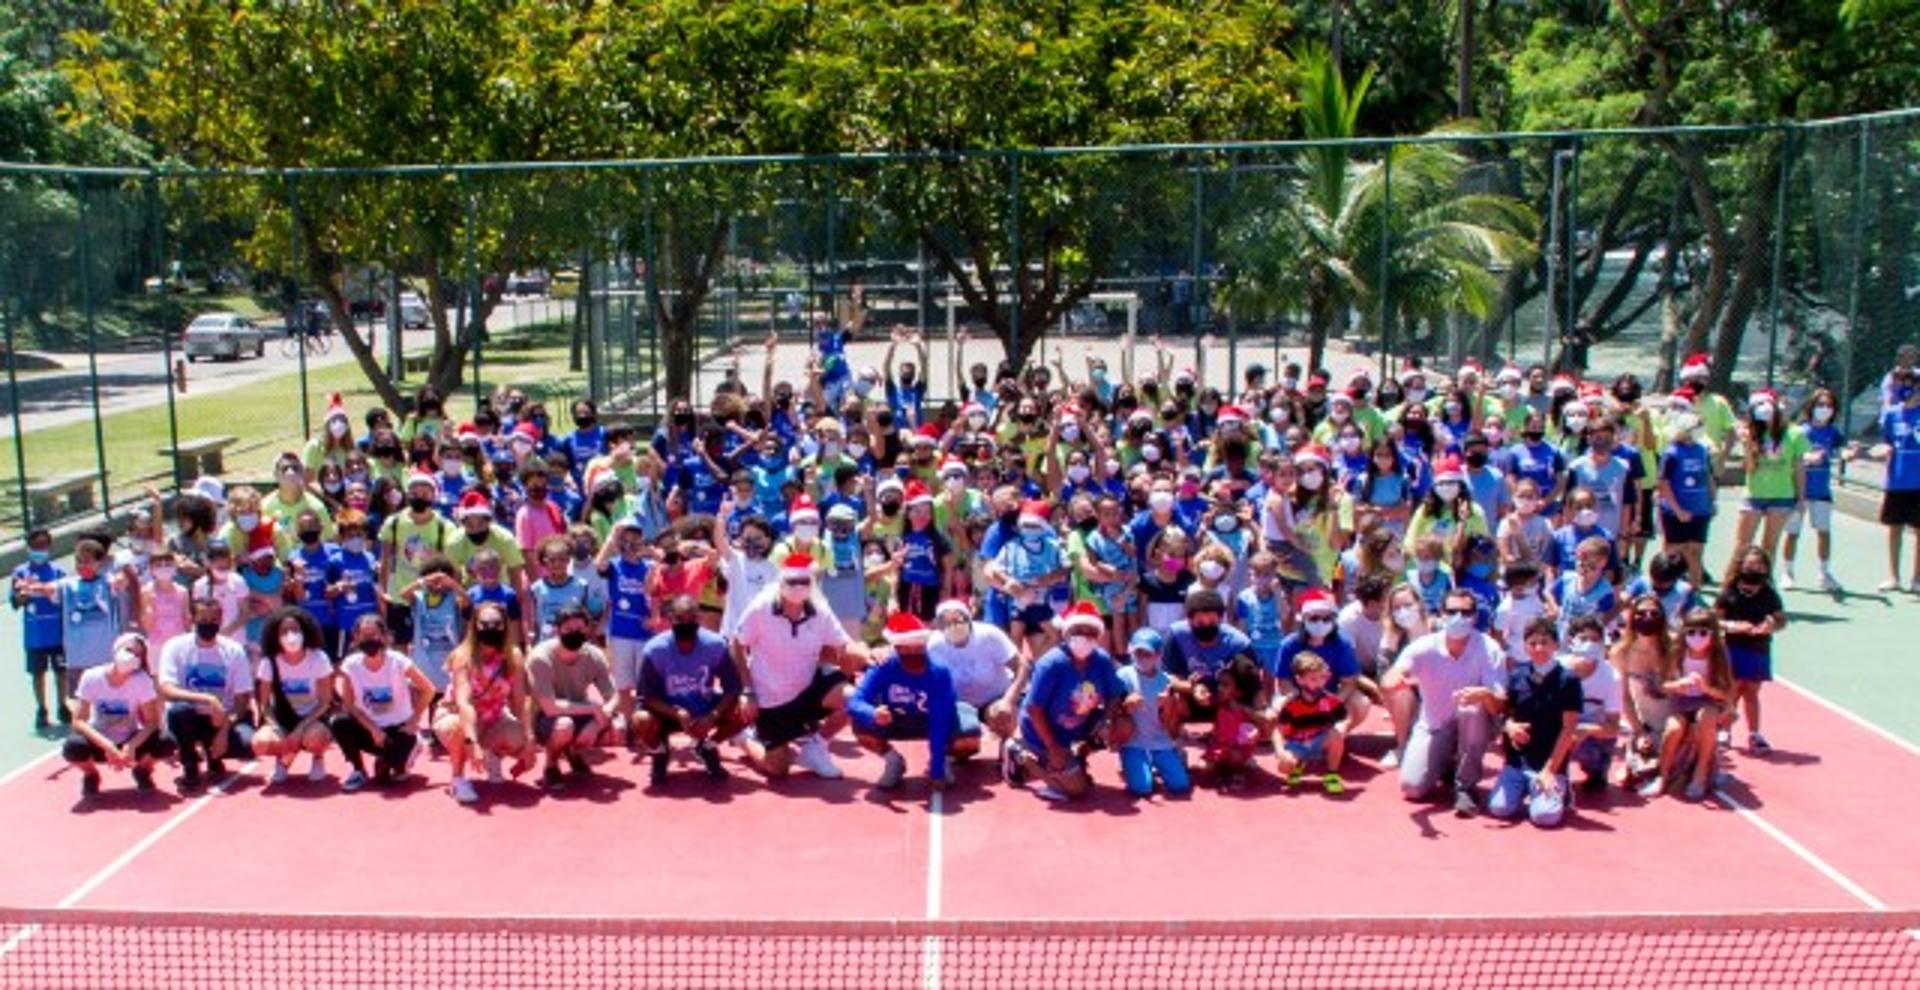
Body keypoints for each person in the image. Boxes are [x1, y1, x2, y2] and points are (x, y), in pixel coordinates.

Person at [732, 553, 859, 779]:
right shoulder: (760, 608)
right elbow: (737, 644)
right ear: (781, 584)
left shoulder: (820, 609)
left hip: (807, 692)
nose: (798, 587)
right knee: (778, 769)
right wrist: (747, 690)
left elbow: (845, 644)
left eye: (804, 582)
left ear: (811, 584)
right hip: (770, 701)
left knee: (855, 699)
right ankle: (744, 739)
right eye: (792, 582)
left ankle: (815, 748)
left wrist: (874, 656)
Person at [1384, 588, 1506, 817]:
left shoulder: (1489, 649)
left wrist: (1484, 695)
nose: (1458, 617)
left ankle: (1466, 787)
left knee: (1471, 708)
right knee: (1412, 787)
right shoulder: (1424, 647)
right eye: (1451, 611)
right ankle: (1447, 762)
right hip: (1434, 726)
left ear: (1475, 616)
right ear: (1441, 614)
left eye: (1466, 612)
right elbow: (1395, 672)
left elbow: (1500, 704)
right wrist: (1394, 679)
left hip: (1476, 724)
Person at [1005, 601, 1129, 801]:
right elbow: (1034, 709)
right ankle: (1021, 754)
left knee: (1124, 725)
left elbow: (1114, 694)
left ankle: (1075, 759)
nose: (1084, 637)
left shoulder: (1102, 660)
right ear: (1067, 633)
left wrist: (1107, 720)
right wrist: (1052, 746)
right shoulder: (1051, 664)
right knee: (1077, 790)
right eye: (1078, 630)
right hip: (1043, 731)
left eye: (1090, 632)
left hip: (1078, 724)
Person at [850, 613, 976, 793]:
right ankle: (893, 761)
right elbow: (856, 702)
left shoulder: (939, 672)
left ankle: (943, 759)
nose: (913, 655)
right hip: (896, 720)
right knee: (860, 724)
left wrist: (937, 769)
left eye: (918, 649)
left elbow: (939, 723)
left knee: (970, 738)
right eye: (906, 650)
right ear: (897, 648)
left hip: (931, 720)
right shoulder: (884, 666)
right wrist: (872, 714)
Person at [634, 595, 743, 784]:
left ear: (699, 618)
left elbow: (733, 688)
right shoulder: (654, 650)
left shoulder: (716, 645)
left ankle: (708, 746)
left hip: (704, 708)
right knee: (640, 719)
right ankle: (660, 751)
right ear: (670, 619)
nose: (686, 624)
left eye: (692, 618)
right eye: (680, 619)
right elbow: (646, 696)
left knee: (745, 709)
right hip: (667, 712)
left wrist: (713, 716)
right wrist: (676, 713)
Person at [434, 601, 536, 804]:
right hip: (458, 716)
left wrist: (529, 739)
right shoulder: (463, 657)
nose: (491, 628)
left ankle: (493, 755)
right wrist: (472, 741)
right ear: (475, 626)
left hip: (493, 717)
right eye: (485, 623)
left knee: (519, 738)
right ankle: (458, 778)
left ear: (505, 626)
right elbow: (465, 703)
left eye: (497, 623)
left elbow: (519, 700)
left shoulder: (513, 656)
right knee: (459, 727)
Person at [1487, 618, 1583, 827]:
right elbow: (1505, 712)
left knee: (1544, 817)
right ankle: (1524, 785)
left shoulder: (1568, 681)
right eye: (1532, 643)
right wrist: (1509, 726)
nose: (1539, 648)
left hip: (1549, 762)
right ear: (1525, 646)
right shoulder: (1517, 674)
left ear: (1556, 645)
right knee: (1499, 809)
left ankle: (1559, 788)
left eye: (1545, 642)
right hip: (1518, 760)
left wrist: (1550, 770)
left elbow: (1569, 728)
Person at [157, 595, 257, 791]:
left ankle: (214, 755)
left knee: (247, 745)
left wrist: (224, 730)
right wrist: (208, 698)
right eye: (202, 620)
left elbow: (241, 699)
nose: (208, 625)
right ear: (192, 619)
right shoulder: (175, 647)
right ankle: (190, 765)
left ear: (221, 620)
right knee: (179, 712)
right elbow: (167, 689)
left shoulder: (234, 651)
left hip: (223, 718)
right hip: (189, 717)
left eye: (214, 620)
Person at [333, 613, 435, 791]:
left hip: (398, 728)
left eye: (374, 634)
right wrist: (373, 728)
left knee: (395, 771)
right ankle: (358, 770)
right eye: (364, 635)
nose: (370, 639)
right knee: (339, 723)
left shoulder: (398, 661)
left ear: (384, 636)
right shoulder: (350, 664)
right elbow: (349, 705)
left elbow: (428, 689)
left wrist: (413, 721)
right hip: (370, 728)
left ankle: (401, 755)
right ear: (356, 638)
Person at [64, 633, 173, 799]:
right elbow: (78, 721)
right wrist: (108, 746)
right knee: (73, 747)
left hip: (129, 739)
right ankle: (91, 775)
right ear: (117, 650)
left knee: (166, 742)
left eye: (138, 654)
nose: (131, 656)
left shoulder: (142, 681)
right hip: (100, 739)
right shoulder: (91, 677)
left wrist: (131, 746)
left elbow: (152, 722)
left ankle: (142, 770)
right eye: (128, 650)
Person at [1644, 608, 1736, 801]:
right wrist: (1677, 685)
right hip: (1682, 702)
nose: (1697, 637)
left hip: (1708, 702)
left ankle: (1700, 774)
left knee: (1706, 718)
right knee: (1673, 729)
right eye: (1691, 632)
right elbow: (1662, 684)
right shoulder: (1676, 653)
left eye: (1703, 632)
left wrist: (1705, 688)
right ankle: (1663, 775)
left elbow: (1726, 693)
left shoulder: (1719, 657)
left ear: (1713, 634)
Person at [525, 605, 618, 788]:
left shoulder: (595, 655)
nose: (574, 633)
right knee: (564, 725)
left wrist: (602, 718)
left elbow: (614, 695)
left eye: (579, 629)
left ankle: (572, 752)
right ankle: (551, 766)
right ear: (557, 630)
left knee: (614, 726)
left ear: (587, 629)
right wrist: (593, 708)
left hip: (578, 711)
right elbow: (549, 708)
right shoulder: (540, 658)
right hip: (544, 718)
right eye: (568, 629)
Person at [251, 606, 336, 786]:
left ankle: (317, 757)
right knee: (260, 743)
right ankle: (284, 757)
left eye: (295, 629)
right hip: (283, 717)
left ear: (304, 631)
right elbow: (264, 704)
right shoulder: (269, 662)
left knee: (315, 737)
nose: (290, 635)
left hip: (313, 717)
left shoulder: (318, 658)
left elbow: (325, 701)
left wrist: (300, 729)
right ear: (276, 635)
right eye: (284, 631)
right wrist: (276, 729)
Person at [925, 599, 1027, 745]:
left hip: (994, 698)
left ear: (968, 619)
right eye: (946, 622)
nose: (953, 626)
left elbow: (1022, 666)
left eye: (958, 620)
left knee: (1002, 715)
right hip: (959, 704)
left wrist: (1009, 700)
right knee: (961, 743)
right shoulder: (934, 645)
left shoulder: (990, 635)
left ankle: (1005, 748)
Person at [1726, 389, 1805, 577]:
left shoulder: (1794, 433)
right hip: (1754, 495)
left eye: (1767, 404)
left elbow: (1799, 469)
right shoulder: (1751, 432)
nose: (1764, 410)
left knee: (1769, 547)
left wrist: (1801, 499)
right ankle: (1730, 585)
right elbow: (1750, 468)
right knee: (1742, 545)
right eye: (1758, 406)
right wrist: (1747, 446)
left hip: (1782, 496)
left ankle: (1764, 586)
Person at [1716, 546, 1786, 756]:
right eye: (1750, 564)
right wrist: (1732, 626)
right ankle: (1724, 731)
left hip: (1758, 647)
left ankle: (1754, 733)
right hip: (1734, 647)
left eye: (1759, 564)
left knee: (1752, 691)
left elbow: (1781, 619)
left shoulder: (1769, 594)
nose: (1755, 568)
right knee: (1733, 690)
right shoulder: (1729, 593)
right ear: (1741, 565)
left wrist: (1771, 624)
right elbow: (1714, 619)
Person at [1782, 388, 1845, 592]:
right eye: (1820, 405)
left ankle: (1824, 574)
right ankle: (1788, 573)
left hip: (1822, 492)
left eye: (1828, 406)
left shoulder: (1834, 432)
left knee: (1824, 533)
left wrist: (1848, 453)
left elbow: (1840, 450)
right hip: (1799, 492)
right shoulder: (1800, 431)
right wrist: (1808, 459)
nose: (1824, 409)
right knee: (1793, 533)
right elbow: (1791, 457)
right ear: (1811, 407)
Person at [1115, 628, 1191, 798]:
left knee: (1180, 785)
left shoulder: (1167, 681)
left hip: (1160, 741)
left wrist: (1170, 706)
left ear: (1158, 655)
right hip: (1134, 741)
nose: (1142, 658)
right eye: (1138, 653)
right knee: (1142, 788)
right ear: (1130, 650)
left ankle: (1167, 758)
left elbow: (1174, 727)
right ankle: (1132, 761)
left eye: (1147, 654)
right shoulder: (1122, 676)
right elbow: (1111, 708)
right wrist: (1124, 706)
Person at [11, 528, 68, 731]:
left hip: (58, 632)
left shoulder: (58, 572)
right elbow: (16, 602)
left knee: (61, 671)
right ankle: (42, 709)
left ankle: (63, 706)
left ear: (49, 547)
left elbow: (66, 598)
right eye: (35, 546)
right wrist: (25, 591)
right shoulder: (20, 573)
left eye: (43, 545)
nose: (40, 549)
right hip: (35, 636)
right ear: (28, 548)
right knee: (38, 673)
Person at [1559, 614, 1622, 792]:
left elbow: (1614, 728)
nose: (1590, 644)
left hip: (1593, 735)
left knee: (1593, 755)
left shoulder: (1612, 677)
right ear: (1571, 641)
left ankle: (1597, 770)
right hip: (1559, 728)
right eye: (1583, 638)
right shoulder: (1556, 668)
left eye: (1595, 639)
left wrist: (1586, 731)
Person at [1273, 651, 1348, 794]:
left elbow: (1344, 719)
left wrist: (1340, 731)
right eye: (1313, 679)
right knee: (1284, 766)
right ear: (1300, 680)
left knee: (1335, 735)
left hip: (1319, 742)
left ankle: (1331, 775)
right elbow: (1278, 731)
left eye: (1322, 678)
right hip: (1297, 744)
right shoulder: (1291, 704)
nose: (1319, 683)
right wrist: (1280, 751)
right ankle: (1298, 765)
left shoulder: (1330, 700)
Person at [1875, 379, 1920, 592]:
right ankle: (1894, 576)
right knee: (1895, 528)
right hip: (1897, 481)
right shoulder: (1891, 414)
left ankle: (1917, 578)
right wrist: (1883, 449)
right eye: (1905, 386)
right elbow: (1886, 441)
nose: (1909, 390)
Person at [1200, 654, 1263, 789]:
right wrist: (1198, 688)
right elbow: (1207, 702)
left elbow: (1254, 724)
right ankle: (1222, 770)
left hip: (1238, 746)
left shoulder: (1243, 709)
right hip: (1220, 743)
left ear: (1239, 692)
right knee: (1210, 766)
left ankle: (1238, 773)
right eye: (1220, 684)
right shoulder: (1220, 702)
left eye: (1225, 685)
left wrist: (1255, 732)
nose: (1220, 688)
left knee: (1235, 756)